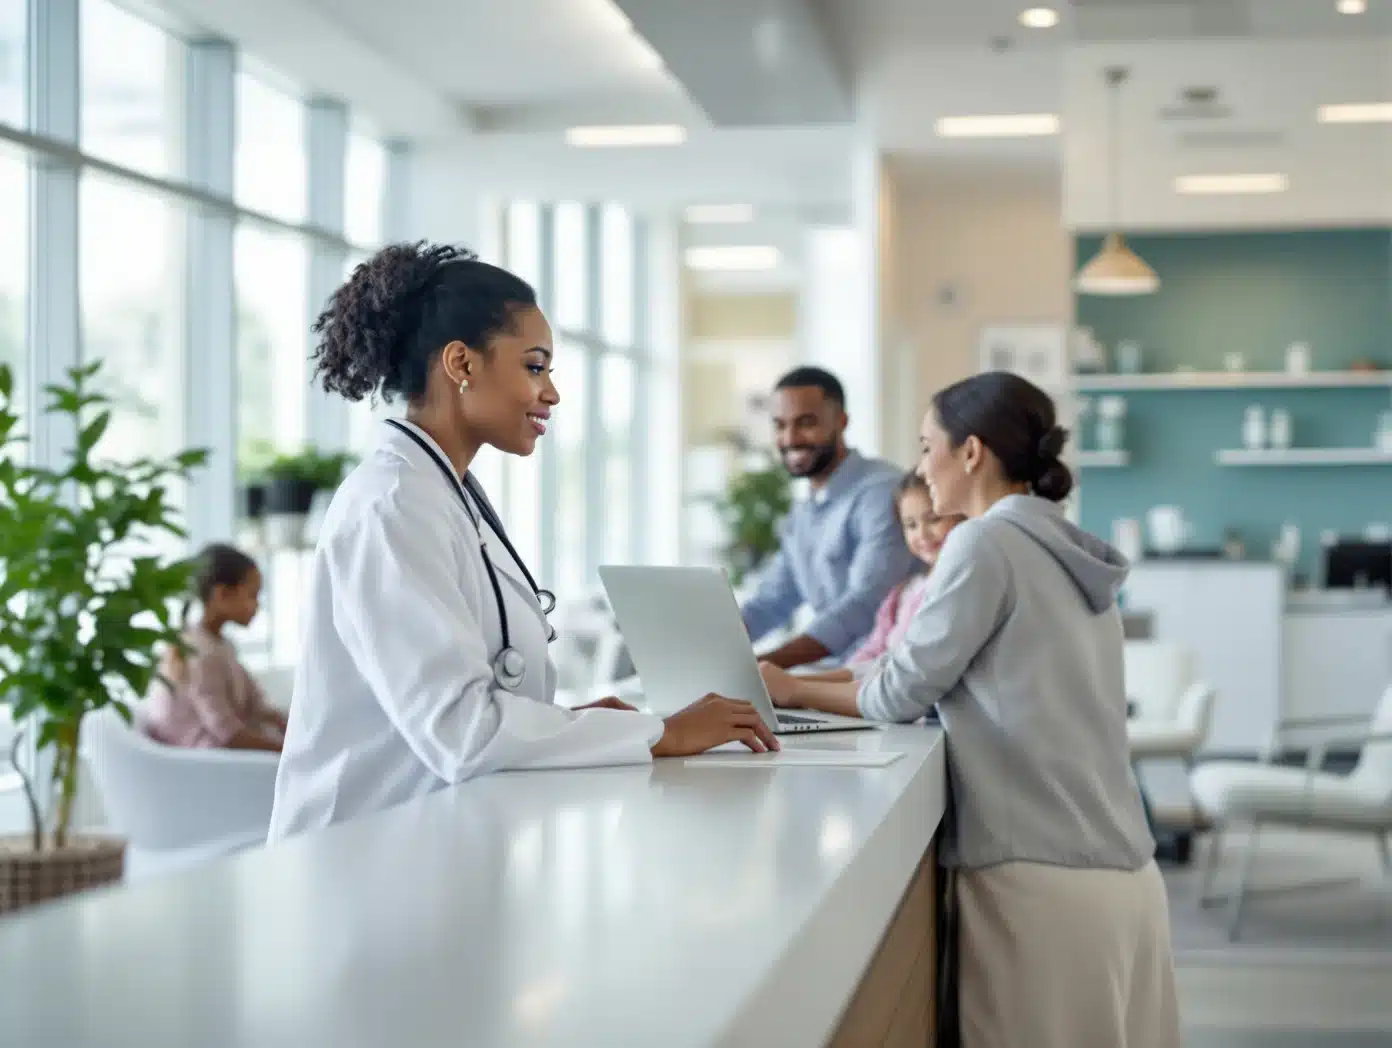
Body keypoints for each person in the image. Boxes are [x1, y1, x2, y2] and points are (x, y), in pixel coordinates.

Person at [268, 243, 778, 841]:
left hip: (437, 837)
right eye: (535, 367)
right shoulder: (393, 506)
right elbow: (462, 730)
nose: (552, 393)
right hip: (363, 853)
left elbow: (474, 703)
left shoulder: (444, 492)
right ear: (462, 363)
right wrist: (663, 732)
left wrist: (572, 725)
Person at [760, 372, 1178, 1048]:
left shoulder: (982, 543)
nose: (922, 468)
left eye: (928, 447)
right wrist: (805, 677)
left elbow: (901, 691)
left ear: (973, 452)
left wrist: (795, 689)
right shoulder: (1061, 546)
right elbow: (924, 660)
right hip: (1124, 878)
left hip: (1039, 880)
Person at [740, 367, 916, 669]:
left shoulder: (881, 492)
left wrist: (763, 666)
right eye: (780, 425)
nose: (790, 438)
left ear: (842, 422)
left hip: (884, 682)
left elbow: (865, 605)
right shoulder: (804, 511)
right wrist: (709, 651)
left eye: (806, 423)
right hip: (834, 674)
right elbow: (772, 601)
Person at [792, 471, 964, 686]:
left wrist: (809, 684)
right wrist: (816, 682)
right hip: (873, 692)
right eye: (911, 525)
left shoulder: (954, 588)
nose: (921, 534)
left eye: (933, 519)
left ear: (962, 516)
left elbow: (896, 666)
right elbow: (872, 652)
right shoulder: (902, 592)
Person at [143, 544, 286, 753]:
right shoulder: (201, 654)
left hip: (214, 753)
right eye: (252, 595)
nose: (257, 606)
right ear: (222, 595)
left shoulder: (219, 645)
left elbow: (253, 701)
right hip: (204, 761)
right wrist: (284, 750)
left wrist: (284, 722)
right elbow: (228, 734)